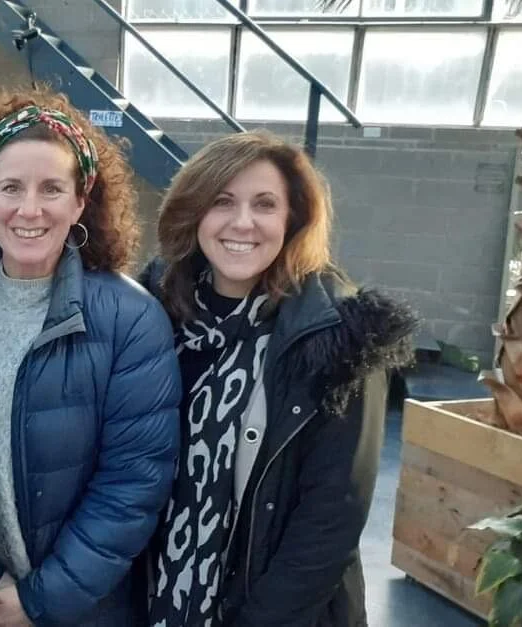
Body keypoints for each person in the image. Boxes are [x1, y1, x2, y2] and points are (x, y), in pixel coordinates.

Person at [141, 131, 418, 627]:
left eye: (264, 204)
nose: (242, 223)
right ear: (195, 212)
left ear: (293, 219)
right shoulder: (157, 309)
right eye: (222, 201)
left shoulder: (339, 333)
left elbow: (330, 519)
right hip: (158, 599)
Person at [0, 88, 181, 626]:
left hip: (82, 609)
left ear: (79, 200)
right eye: (12, 188)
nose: (30, 209)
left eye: (52, 188)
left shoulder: (130, 320)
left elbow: (132, 485)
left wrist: (38, 599)